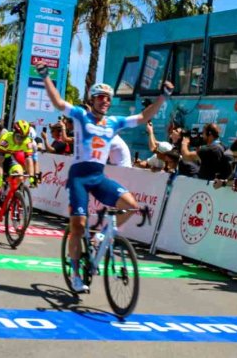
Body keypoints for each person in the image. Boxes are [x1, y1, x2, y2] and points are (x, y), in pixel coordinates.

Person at [36, 59, 171, 293]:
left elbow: (142, 118)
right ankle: (76, 274)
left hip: (98, 176)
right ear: (92, 100)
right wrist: (45, 76)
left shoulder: (114, 122)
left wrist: (163, 97)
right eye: (100, 97)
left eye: (108, 98)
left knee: (131, 206)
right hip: (79, 175)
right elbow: (58, 102)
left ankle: (100, 237)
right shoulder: (80, 115)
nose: (105, 101)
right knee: (77, 226)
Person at [0, 120, 36, 230]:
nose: (21, 141)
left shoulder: (27, 141)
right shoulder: (6, 139)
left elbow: (29, 160)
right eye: (19, 137)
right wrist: (0, 179)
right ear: (14, 133)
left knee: (20, 176)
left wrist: (32, 177)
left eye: (23, 138)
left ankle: (11, 198)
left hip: (9, 157)